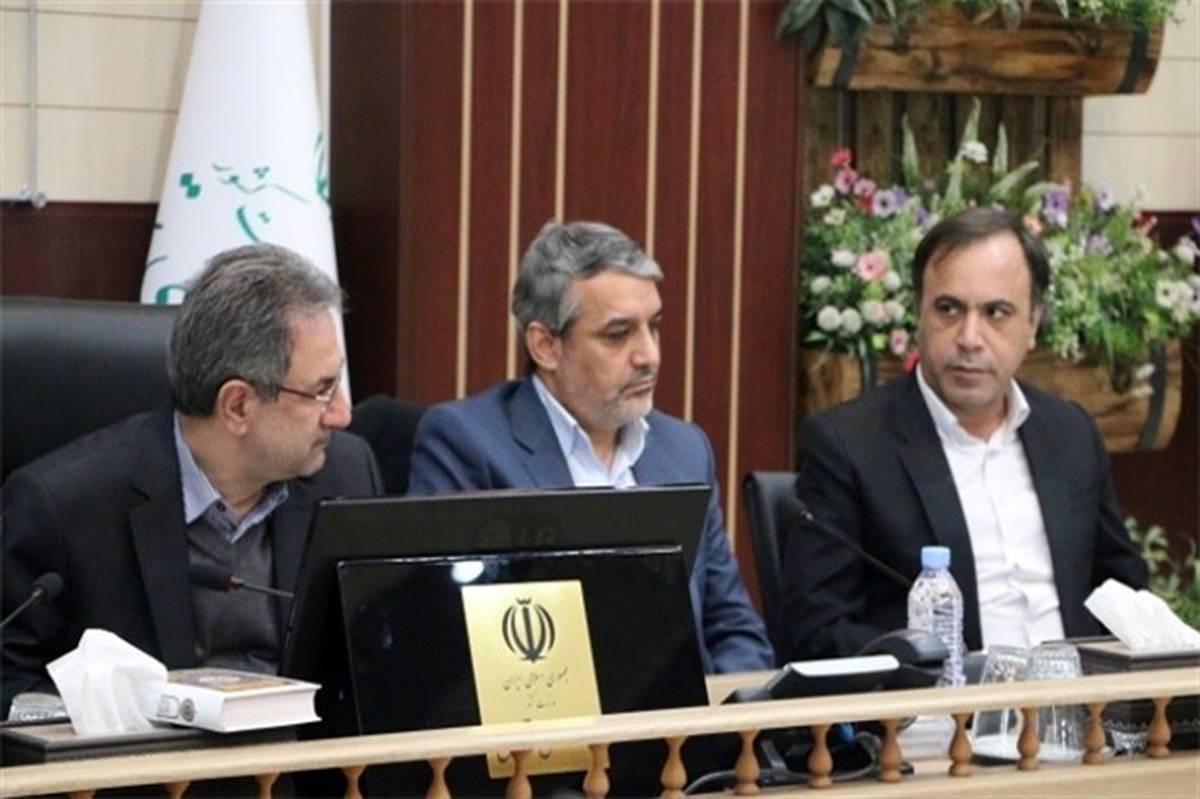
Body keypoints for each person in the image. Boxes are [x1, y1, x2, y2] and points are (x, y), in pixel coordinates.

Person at [1, 244, 382, 715]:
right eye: (322, 390)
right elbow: (9, 687)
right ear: (237, 406)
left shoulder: (347, 474)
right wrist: (102, 719)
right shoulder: (62, 507)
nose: (342, 414)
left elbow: (376, 657)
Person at [781, 207, 1148, 662]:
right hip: (942, 704)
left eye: (997, 313)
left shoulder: (1069, 433)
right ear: (917, 313)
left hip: (1077, 702)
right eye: (949, 309)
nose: (970, 337)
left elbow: (1126, 596)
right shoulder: (849, 443)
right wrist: (933, 668)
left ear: (1033, 324)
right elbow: (815, 632)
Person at [409, 220, 773, 673]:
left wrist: (733, 704)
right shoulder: (468, 444)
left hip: (684, 717)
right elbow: (446, 636)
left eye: (654, 326)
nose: (649, 356)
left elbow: (732, 627)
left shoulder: (685, 451)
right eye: (618, 334)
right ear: (546, 346)